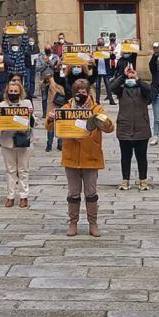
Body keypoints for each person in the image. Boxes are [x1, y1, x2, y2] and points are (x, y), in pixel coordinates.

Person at [48, 78, 113, 237]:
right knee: (73, 192)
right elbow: (51, 127)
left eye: (84, 91)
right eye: (78, 92)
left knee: (91, 191)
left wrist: (102, 120)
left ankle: (93, 222)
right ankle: (73, 222)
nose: (81, 94)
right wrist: (50, 119)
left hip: (91, 156)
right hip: (71, 156)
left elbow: (110, 128)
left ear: (88, 92)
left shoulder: (96, 108)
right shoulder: (66, 108)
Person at [111, 63, 154, 191]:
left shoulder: (143, 90)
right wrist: (123, 76)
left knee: (141, 157)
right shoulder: (122, 90)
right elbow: (112, 87)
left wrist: (137, 79)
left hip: (141, 128)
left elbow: (149, 90)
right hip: (125, 128)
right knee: (125, 156)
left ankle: (143, 180)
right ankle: (125, 180)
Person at [0, 78, 33, 208]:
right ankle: (10, 195)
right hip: (7, 141)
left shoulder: (27, 103)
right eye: (11, 91)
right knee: (10, 170)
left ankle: (24, 196)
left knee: (23, 169)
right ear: (7, 92)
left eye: (15, 91)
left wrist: (30, 115)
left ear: (20, 92)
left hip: (23, 140)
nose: (13, 93)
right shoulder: (2, 105)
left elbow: (31, 123)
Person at [39, 69, 65, 153]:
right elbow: (42, 86)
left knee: (61, 126)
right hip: (52, 107)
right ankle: (49, 144)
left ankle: (60, 143)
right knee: (50, 126)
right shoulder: (50, 83)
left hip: (62, 106)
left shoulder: (63, 82)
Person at [93, 37, 116, 104]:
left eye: (101, 42)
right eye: (99, 42)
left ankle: (111, 100)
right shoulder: (95, 51)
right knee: (97, 86)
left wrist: (112, 53)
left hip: (105, 70)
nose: (100, 43)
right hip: (98, 71)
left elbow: (113, 58)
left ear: (103, 43)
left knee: (108, 86)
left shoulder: (107, 50)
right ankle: (97, 101)